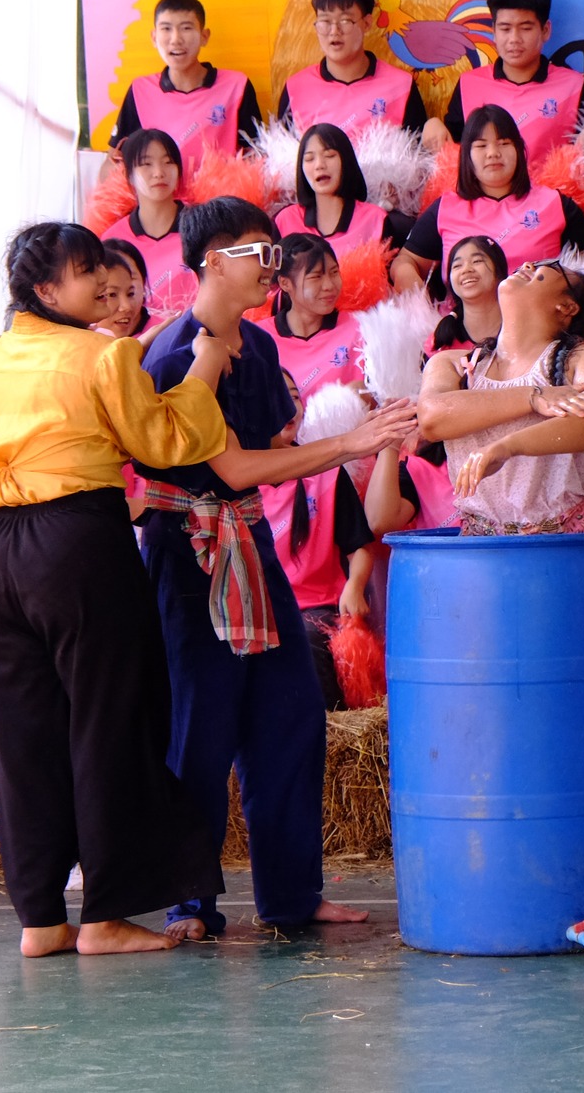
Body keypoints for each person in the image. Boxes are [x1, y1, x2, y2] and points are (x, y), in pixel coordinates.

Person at [136, 198, 417, 940]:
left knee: (290, 715)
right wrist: (351, 442)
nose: (272, 268)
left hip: (249, 545)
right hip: (191, 550)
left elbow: (271, 442)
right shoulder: (170, 356)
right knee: (199, 726)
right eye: (259, 254)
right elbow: (232, 464)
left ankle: (290, 894)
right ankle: (189, 900)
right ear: (212, 263)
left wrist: (333, 419)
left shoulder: (255, 348)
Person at [0, 223, 230, 956]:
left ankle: (41, 917)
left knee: (23, 735)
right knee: (110, 721)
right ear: (48, 290)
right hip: (72, 541)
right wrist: (203, 365)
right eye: (89, 275)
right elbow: (164, 441)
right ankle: (107, 914)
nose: (105, 288)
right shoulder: (103, 351)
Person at [419, 260, 584, 534]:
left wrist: (507, 447)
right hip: (484, 556)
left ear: (567, 307)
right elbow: (432, 417)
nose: (528, 264)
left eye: (547, 270)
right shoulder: (452, 364)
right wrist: (532, 397)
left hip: (575, 551)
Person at [261, 376, 380, 711]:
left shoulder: (327, 472)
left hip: (317, 610)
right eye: (278, 396)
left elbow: (359, 546)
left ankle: (326, 741)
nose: (290, 407)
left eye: (296, 396)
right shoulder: (239, 480)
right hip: (259, 610)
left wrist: (355, 586)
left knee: (305, 640)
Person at [392, 105, 584, 292]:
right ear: (466, 155)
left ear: (519, 149)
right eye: (481, 146)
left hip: (541, 328)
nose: (493, 153)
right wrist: (412, 285)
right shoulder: (445, 209)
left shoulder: (554, 203)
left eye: (503, 143)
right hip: (462, 328)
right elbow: (406, 261)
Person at [110, 0, 262, 174]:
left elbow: (256, 156)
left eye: (186, 28)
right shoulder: (140, 90)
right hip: (162, 201)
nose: (176, 39)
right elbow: (114, 160)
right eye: (166, 29)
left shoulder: (236, 86)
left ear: (204, 36)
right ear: (153, 37)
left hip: (221, 201)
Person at [438, 0, 584, 158]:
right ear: (494, 31)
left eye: (525, 28)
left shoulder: (574, 87)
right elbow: (454, 148)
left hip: (553, 187)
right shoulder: (469, 84)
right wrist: (432, 125)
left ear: (546, 30)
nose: (514, 39)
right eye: (505, 29)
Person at [277, 0, 431, 139]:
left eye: (345, 20)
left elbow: (418, 158)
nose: (334, 31)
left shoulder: (401, 86)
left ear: (367, 23)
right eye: (325, 21)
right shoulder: (296, 89)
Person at [273, 123, 410, 262]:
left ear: (346, 161)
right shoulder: (284, 220)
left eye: (330, 155)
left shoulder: (376, 220)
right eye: (309, 159)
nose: (319, 165)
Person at [100, 129, 195, 323]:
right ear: (128, 175)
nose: (159, 173)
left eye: (168, 162)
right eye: (146, 164)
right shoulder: (113, 240)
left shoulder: (204, 227)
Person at [269, 233, 363, 401]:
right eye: (315, 277)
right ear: (285, 283)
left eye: (334, 272)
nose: (329, 285)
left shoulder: (361, 329)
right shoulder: (262, 338)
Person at [427, 235, 506, 355]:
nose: (466, 270)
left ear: (499, 272)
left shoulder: (526, 327)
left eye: (477, 261)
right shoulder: (440, 342)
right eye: (457, 266)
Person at [95, 238, 150, 340]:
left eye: (130, 293)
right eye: (112, 294)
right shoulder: (81, 339)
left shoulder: (163, 333)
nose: (126, 306)